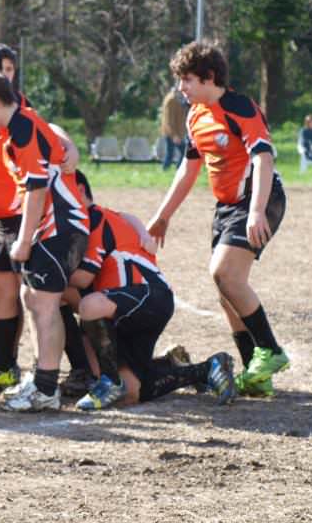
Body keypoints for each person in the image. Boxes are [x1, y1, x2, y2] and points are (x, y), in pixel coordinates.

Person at [147, 40, 289, 398]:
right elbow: (188, 169)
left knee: (224, 273)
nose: (181, 89)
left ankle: (270, 351)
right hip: (227, 207)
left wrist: (256, 210)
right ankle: (255, 373)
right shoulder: (196, 116)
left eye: (187, 80)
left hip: (259, 197)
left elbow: (263, 159)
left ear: (210, 77)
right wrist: (163, 216)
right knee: (227, 290)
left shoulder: (240, 107)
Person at [0, 72, 90, 413]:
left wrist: (23, 240)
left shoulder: (22, 129)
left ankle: (47, 387)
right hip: (50, 227)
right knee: (32, 298)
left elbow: (36, 189)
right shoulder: (12, 129)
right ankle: (42, 379)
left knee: (45, 303)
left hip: (60, 226)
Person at [69, 172, 236, 410]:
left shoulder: (94, 218)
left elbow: (82, 279)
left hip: (145, 296)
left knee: (81, 302)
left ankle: (105, 380)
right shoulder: (84, 221)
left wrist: (38, 272)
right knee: (132, 392)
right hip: (119, 311)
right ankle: (202, 368)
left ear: (80, 190)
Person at [160, 87, 188, 170]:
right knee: (181, 152)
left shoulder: (175, 99)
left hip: (174, 132)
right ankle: (175, 169)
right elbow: (169, 119)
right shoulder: (171, 100)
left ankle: (168, 169)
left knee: (171, 153)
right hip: (172, 132)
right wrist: (174, 135)